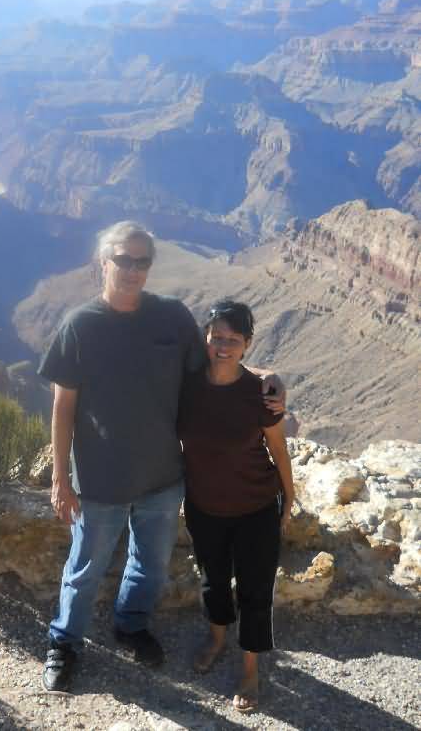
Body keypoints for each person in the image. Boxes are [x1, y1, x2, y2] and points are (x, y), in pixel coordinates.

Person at [38, 222, 283, 692]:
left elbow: (215, 365)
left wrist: (266, 375)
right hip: (100, 480)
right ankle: (64, 643)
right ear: (103, 262)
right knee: (85, 568)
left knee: (150, 564)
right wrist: (59, 479)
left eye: (141, 261)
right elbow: (63, 406)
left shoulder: (170, 317)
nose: (132, 269)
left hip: (163, 478)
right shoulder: (79, 325)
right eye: (123, 259)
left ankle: (131, 625)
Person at [178, 299, 295, 714]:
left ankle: (250, 669)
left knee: (255, 590)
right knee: (212, 581)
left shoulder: (261, 394)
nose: (223, 346)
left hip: (256, 507)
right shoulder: (187, 385)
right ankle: (216, 639)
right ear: (205, 339)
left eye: (233, 339)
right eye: (216, 337)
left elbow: (278, 450)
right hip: (204, 505)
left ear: (247, 343)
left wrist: (289, 497)